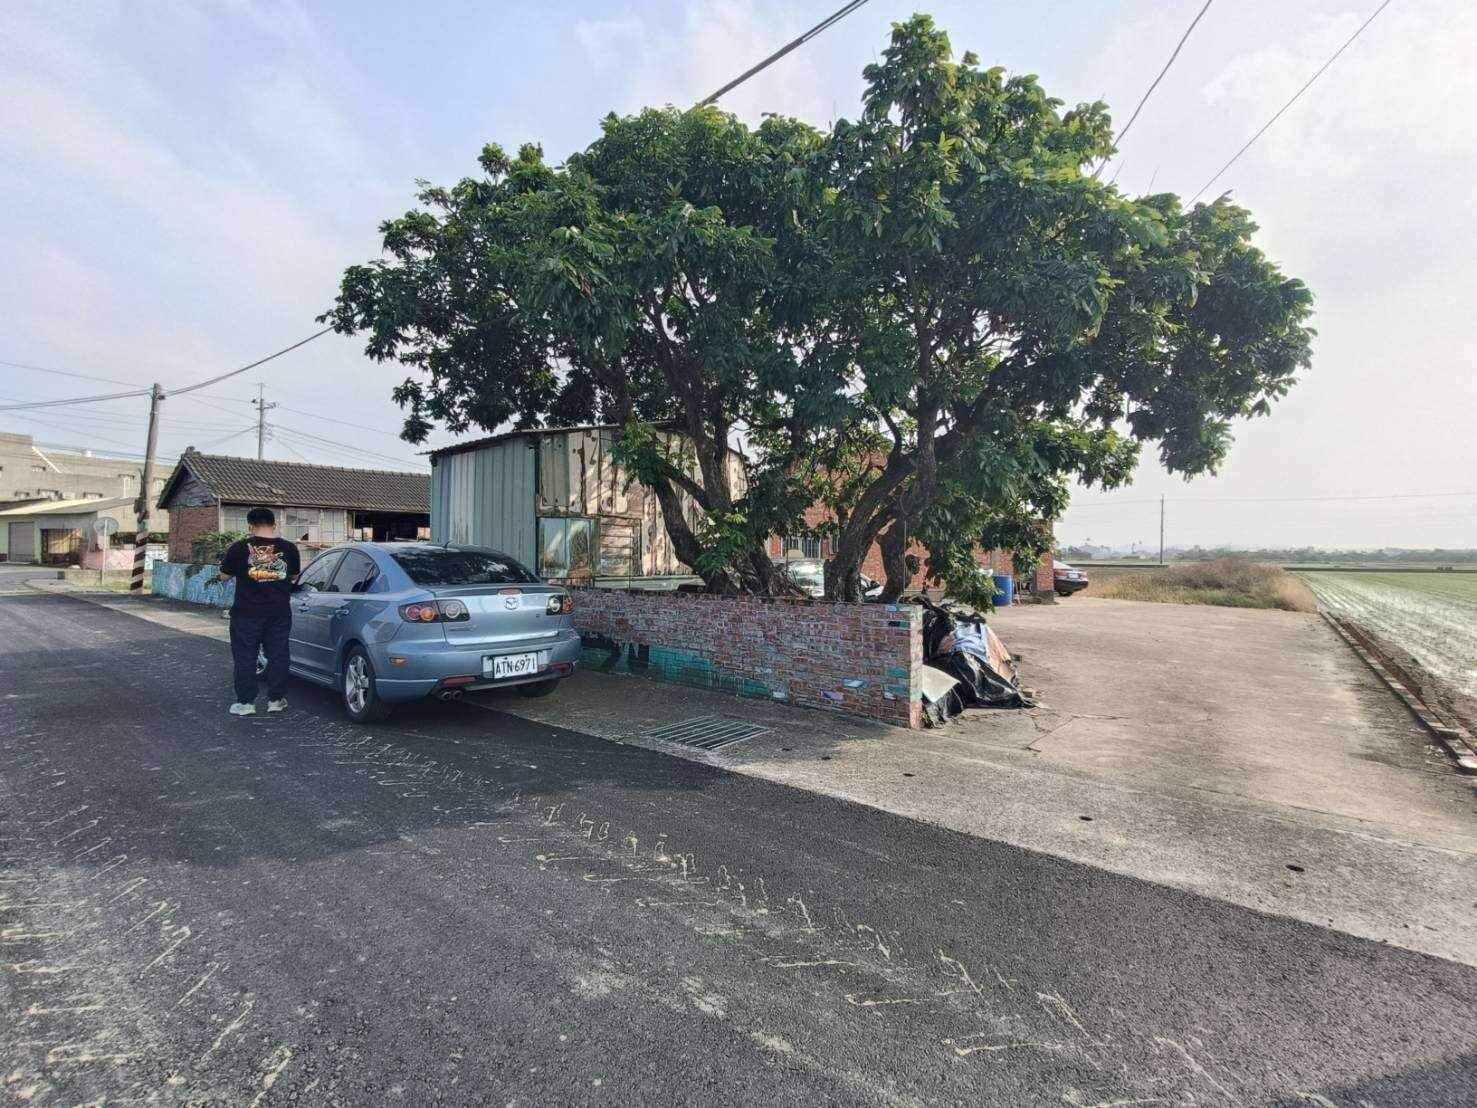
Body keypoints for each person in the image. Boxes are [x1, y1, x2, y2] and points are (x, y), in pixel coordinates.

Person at [218, 507, 301, 716]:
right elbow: (294, 576)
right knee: (278, 654)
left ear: (250, 526)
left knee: (245, 656)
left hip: (246, 613)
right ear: (274, 524)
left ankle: (246, 703)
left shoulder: (239, 548)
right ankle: (276, 700)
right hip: (278, 612)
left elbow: (224, 576)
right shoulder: (289, 548)